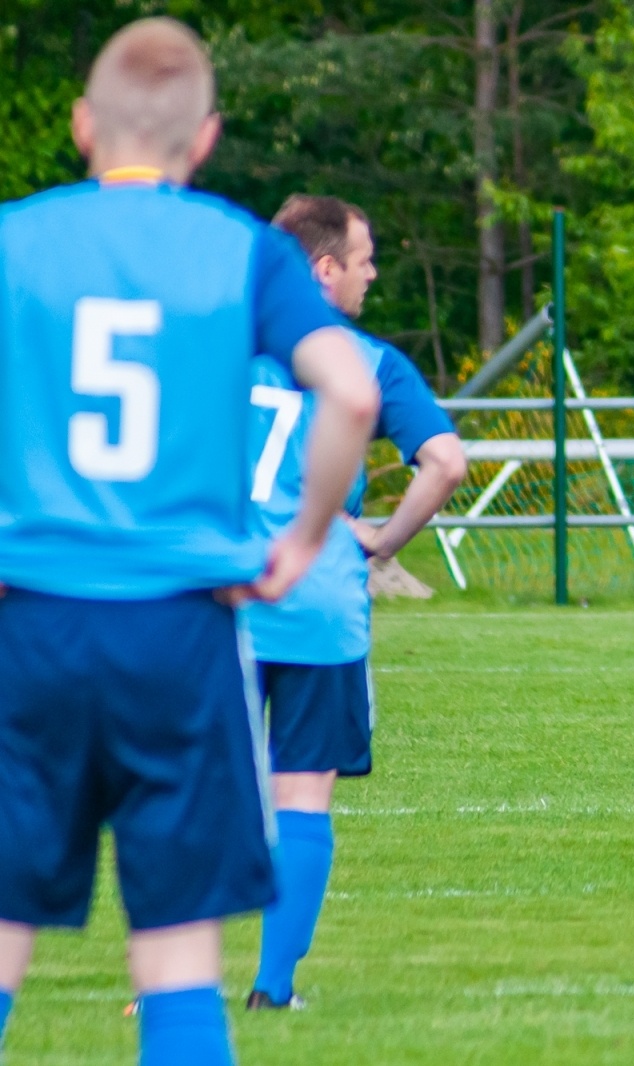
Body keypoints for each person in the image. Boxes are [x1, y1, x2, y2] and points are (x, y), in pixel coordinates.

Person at [0, 18, 377, 1064]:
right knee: (174, 960)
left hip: (29, 621)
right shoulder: (243, 248)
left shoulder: (15, 239)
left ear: (80, 123)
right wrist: (301, 542)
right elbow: (347, 389)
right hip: (181, 628)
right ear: (205, 139)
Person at [240, 195, 466, 1010]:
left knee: (189, 790)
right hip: (318, 605)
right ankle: (273, 987)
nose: (374, 274)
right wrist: (380, 541)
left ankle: (170, 974)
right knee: (303, 794)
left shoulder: (217, 349)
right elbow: (443, 461)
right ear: (323, 270)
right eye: (365, 259)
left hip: (216, 601)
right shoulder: (366, 361)